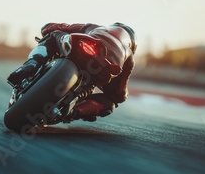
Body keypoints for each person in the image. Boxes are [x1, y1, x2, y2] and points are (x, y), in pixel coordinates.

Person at [8, 22, 137, 122]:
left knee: (52, 35)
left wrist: (47, 29)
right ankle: (74, 111)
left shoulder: (95, 27)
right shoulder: (129, 55)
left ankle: (32, 64)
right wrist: (120, 96)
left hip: (82, 46)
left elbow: (54, 27)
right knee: (110, 102)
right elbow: (120, 92)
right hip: (104, 67)